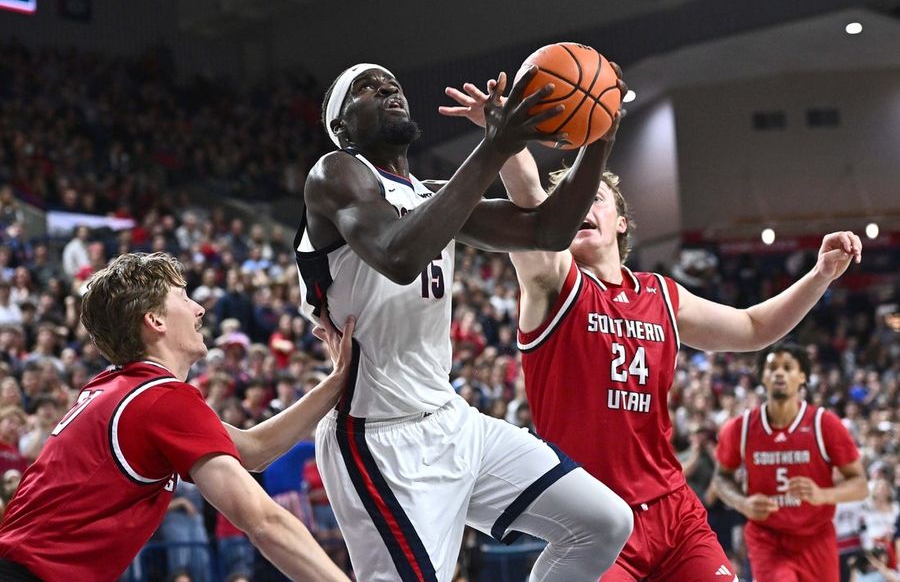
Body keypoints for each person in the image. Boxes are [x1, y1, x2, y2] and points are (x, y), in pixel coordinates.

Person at [440, 79, 865, 581]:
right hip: (595, 521)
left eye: (594, 198)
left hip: (673, 513)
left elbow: (752, 327)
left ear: (622, 222)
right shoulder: (553, 283)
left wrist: (819, 276)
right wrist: (504, 136)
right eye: (569, 203)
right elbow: (531, 201)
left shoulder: (661, 294)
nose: (579, 208)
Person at [297, 63, 634, 582]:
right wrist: (494, 147)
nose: (388, 87)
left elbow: (549, 230)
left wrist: (600, 137)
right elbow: (398, 254)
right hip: (379, 438)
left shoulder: (432, 194)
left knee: (604, 523)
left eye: (394, 81)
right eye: (366, 87)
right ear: (342, 127)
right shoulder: (336, 173)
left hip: (452, 419)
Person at [0, 252, 353, 581]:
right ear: (154, 320)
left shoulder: (116, 388)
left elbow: (253, 448)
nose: (198, 309)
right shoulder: (159, 400)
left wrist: (337, 381)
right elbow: (263, 520)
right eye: (184, 298)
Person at [714, 343, 868, 582]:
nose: (779, 373)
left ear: (803, 376)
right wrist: (741, 502)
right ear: (762, 376)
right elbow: (721, 477)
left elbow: (860, 485)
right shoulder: (740, 428)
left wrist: (822, 495)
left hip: (816, 536)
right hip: (768, 538)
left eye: (787, 367)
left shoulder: (824, 424)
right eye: (772, 367)